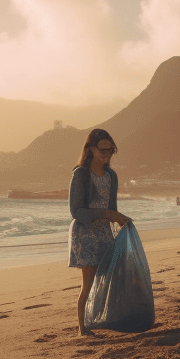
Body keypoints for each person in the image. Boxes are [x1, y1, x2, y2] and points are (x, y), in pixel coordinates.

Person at [69, 128, 132, 337]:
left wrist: (120, 218)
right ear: (91, 149)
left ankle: (100, 318)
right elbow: (76, 211)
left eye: (111, 150)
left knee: (108, 276)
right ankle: (82, 328)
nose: (107, 154)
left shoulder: (111, 176)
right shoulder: (80, 174)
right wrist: (105, 213)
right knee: (88, 281)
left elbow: (111, 207)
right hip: (84, 232)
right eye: (103, 150)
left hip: (104, 231)